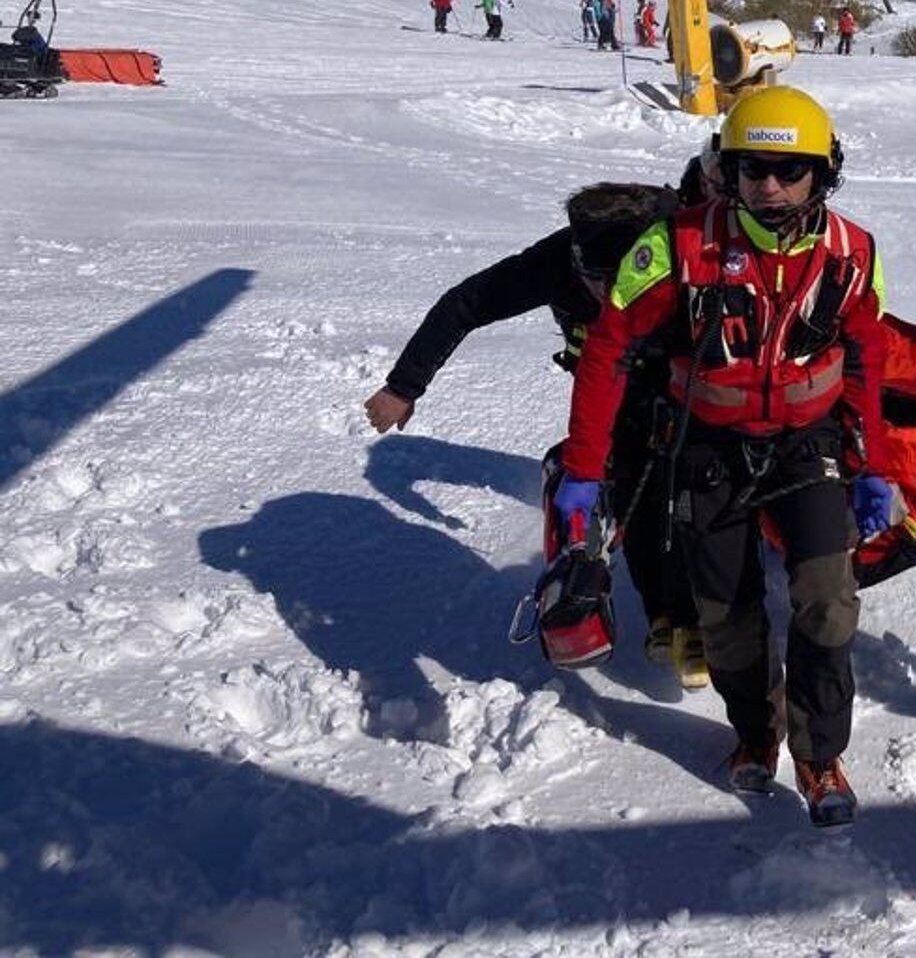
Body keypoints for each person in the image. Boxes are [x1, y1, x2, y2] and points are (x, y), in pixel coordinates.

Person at [556, 87, 884, 827]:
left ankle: (819, 751)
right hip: (709, 447)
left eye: (787, 169)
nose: (768, 185)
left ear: (822, 174)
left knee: (826, 603)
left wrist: (879, 464)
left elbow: (867, 357)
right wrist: (583, 469)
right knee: (728, 612)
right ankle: (755, 734)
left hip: (809, 445)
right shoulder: (673, 245)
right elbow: (607, 351)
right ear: (724, 170)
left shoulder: (852, 253)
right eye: (750, 168)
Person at [362, 154, 724, 688]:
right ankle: (672, 619)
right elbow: (467, 303)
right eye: (596, 282)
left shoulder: (683, 245)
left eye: (620, 282)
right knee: (634, 491)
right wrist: (403, 386)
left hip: (692, 382)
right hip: (610, 392)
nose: (608, 298)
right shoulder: (556, 260)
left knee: (695, 484)